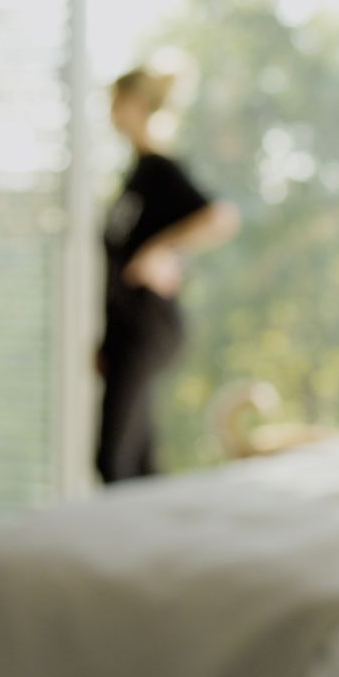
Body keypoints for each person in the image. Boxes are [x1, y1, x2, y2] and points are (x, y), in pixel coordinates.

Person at [97, 65, 240, 484]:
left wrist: (161, 250)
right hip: (124, 332)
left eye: (117, 103)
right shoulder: (134, 174)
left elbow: (220, 217)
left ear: (139, 106)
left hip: (148, 326)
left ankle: (124, 549)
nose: (110, 113)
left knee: (112, 459)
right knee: (140, 460)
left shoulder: (161, 169)